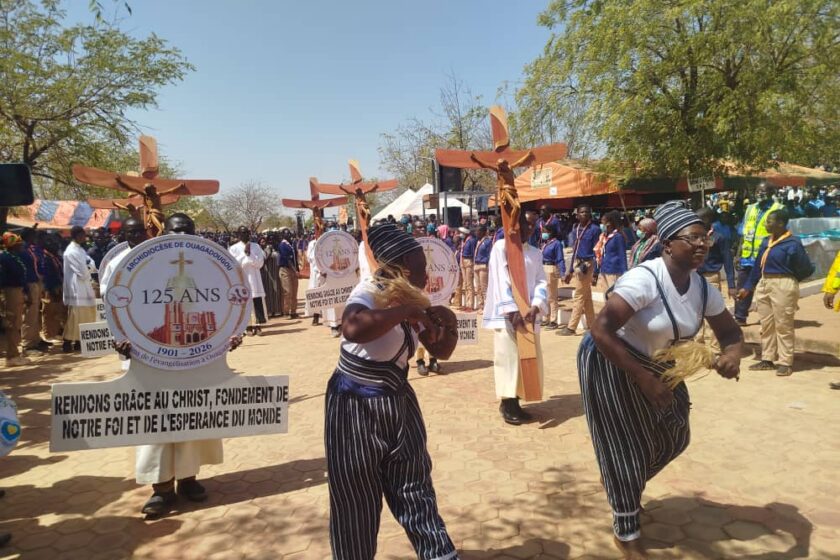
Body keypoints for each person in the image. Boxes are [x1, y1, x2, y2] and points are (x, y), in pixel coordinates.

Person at [579, 200, 743, 558]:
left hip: (657, 364)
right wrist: (641, 377)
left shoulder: (702, 288)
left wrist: (731, 356)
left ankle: (623, 481)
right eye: (693, 238)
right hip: (609, 358)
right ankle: (626, 529)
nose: (702, 245)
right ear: (668, 243)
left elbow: (731, 333)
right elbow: (602, 329)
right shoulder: (645, 279)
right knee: (622, 444)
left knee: (676, 432)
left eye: (706, 239)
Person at [325, 223, 459, 560]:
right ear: (401, 267)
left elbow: (441, 351)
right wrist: (406, 311)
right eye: (421, 265)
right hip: (354, 405)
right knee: (356, 498)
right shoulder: (368, 291)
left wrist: (448, 324)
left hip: (398, 403)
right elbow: (353, 328)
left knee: (415, 489)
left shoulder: (413, 296)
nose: (427, 272)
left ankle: (440, 554)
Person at [114, 213, 231, 518]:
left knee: (193, 419)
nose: (183, 236)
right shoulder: (142, 264)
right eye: (177, 231)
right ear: (164, 232)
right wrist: (121, 341)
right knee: (157, 425)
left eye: (189, 231)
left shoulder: (208, 265)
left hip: (195, 356)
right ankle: (161, 488)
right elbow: (119, 308)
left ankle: (189, 480)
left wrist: (228, 337)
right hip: (152, 358)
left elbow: (221, 305)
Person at [483, 211, 548, 425]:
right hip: (508, 315)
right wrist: (511, 310)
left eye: (533, 225)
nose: (529, 228)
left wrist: (536, 306)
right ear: (514, 225)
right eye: (525, 224)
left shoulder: (536, 253)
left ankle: (518, 400)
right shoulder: (501, 247)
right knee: (508, 358)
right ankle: (507, 402)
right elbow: (500, 279)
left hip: (529, 314)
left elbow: (540, 281)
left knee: (527, 358)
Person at [738, 210, 815, 376]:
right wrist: (748, 287)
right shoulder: (767, 241)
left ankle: (785, 362)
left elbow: (806, 268)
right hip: (765, 283)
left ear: (780, 223)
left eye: (769, 221)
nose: (766, 224)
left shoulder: (793, 243)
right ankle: (767, 358)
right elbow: (758, 265)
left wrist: (790, 281)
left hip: (783, 284)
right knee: (766, 324)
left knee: (783, 325)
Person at [735, 185, 785, 325]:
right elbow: (743, 233)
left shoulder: (779, 209)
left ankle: (771, 318)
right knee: (743, 287)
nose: (759, 193)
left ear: (771, 192)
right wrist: (738, 254)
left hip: (766, 256)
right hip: (747, 257)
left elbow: (782, 234)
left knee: (767, 289)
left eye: (764, 190)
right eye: (757, 190)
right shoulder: (750, 208)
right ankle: (740, 317)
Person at [696, 208, 738, 353]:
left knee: (712, 312)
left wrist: (731, 284)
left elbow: (728, 261)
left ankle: (713, 349)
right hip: (695, 277)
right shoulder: (694, 236)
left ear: (709, 220)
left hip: (711, 277)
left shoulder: (719, 238)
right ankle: (698, 347)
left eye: (701, 218)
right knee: (696, 312)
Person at [559, 205, 601, 336]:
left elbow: (598, 252)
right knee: (586, 296)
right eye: (581, 212)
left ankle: (571, 327)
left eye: (587, 212)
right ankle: (592, 326)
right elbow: (575, 251)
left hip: (587, 265)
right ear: (577, 215)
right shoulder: (575, 229)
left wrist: (595, 272)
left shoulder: (595, 230)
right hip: (578, 263)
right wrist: (570, 269)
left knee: (578, 295)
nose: (584, 214)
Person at [62, 226, 97, 353]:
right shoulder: (71, 251)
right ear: (76, 236)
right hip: (76, 287)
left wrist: (89, 266)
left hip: (84, 285)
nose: (84, 237)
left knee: (85, 314)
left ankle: (79, 341)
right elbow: (82, 271)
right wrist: (89, 268)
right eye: (82, 235)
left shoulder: (80, 249)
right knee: (76, 316)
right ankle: (67, 341)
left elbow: (90, 262)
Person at [229, 226, 266, 336]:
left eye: (246, 233)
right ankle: (248, 326)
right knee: (245, 302)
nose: (244, 235)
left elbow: (260, 263)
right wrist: (244, 254)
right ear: (238, 235)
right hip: (242, 278)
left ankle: (258, 325)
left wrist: (250, 256)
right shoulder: (234, 248)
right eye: (242, 233)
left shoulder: (256, 246)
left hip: (254, 278)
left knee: (256, 301)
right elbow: (233, 265)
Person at [1, 233, 31, 366]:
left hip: (17, 291)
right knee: (11, 323)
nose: (21, 247)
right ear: (13, 246)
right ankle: (11, 356)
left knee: (17, 323)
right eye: (19, 244)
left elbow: (21, 276)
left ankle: (15, 353)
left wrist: (26, 292)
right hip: (9, 292)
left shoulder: (14, 257)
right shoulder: (4, 258)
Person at [40, 234, 65, 343]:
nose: (56, 245)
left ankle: (55, 332)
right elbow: (47, 275)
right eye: (53, 243)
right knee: (48, 312)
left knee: (57, 311)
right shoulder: (45, 257)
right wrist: (52, 287)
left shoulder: (54, 256)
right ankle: (48, 334)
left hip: (58, 286)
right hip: (49, 288)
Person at [595, 210, 628, 291]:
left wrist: (624, 273)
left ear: (609, 223)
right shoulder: (604, 236)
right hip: (604, 269)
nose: (601, 225)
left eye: (603, 222)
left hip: (614, 270)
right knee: (606, 294)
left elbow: (622, 255)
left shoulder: (618, 237)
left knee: (613, 294)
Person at [541, 224, 565, 329]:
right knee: (545, 296)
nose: (543, 234)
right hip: (544, 268)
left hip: (551, 268)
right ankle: (546, 317)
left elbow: (560, 259)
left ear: (551, 232)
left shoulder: (557, 244)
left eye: (545, 232)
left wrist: (562, 272)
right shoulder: (545, 243)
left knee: (552, 296)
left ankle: (553, 320)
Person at [277, 229, 299, 319]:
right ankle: (286, 312)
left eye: (289, 233)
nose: (288, 235)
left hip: (293, 269)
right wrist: (295, 270)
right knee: (288, 291)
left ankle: (293, 311)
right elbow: (287, 259)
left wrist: (297, 268)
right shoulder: (282, 245)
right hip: (286, 269)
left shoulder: (292, 244)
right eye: (286, 234)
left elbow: (294, 258)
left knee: (294, 291)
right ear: (283, 235)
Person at [259, 235, 282, 318]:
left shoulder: (275, 249)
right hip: (267, 274)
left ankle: (278, 310)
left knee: (276, 291)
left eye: (264, 241)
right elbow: (264, 259)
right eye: (261, 242)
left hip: (275, 273)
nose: (263, 243)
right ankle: (270, 311)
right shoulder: (261, 251)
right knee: (268, 293)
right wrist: (268, 251)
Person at [473, 225, 492, 312]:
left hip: (483, 265)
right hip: (476, 264)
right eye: (476, 231)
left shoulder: (488, 241)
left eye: (478, 231)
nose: (477, 232)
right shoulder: (478, 241)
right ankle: (481, 305)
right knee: (478, 287)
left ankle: (487, 307)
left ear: (483, 232)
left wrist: (487, 263)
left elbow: (489, 254)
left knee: (484, 288)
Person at [458, 227, 476, 311]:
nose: (460, 234)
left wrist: (473, 264)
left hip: (469, 261)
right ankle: (465, 303)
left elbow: (473, 253)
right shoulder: (463, 241)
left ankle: (470, 305)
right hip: (463, 260)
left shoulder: (471, 240)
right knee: (465, 284)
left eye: (461, 232)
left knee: (469, 284)